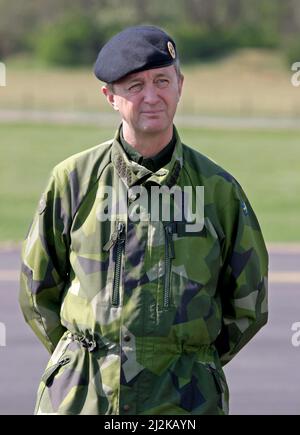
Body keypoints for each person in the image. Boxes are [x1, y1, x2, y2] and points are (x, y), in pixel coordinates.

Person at [19, 25, 268, 415]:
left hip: (186, 401)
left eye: (162, 81)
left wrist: (190, 359)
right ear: (110, 97)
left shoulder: (218, 190)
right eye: (134, 86)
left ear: (180, 85)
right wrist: (90, 356)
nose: (151, 96)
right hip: (84, 398)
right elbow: (37, 292)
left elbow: (249, 302)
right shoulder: (72, 181)